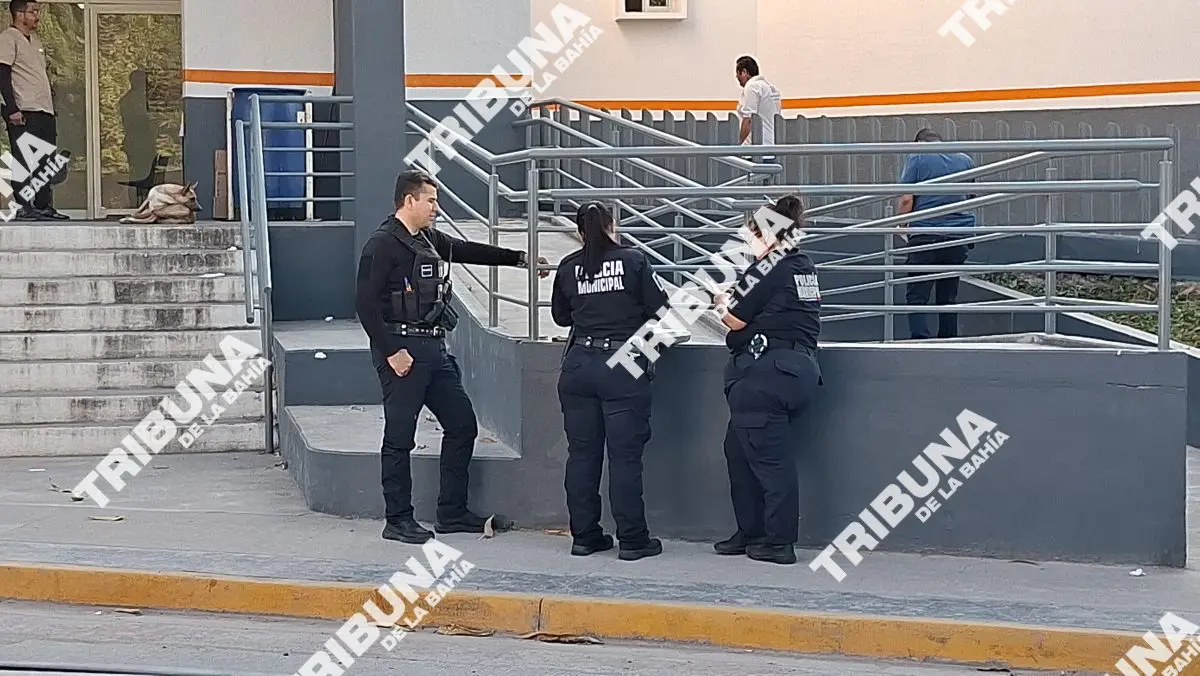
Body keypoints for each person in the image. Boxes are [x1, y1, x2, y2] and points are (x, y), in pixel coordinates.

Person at [354, 169, 549, 545]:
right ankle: (398, 519)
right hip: (403, 351)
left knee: (462, 425)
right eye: (430, 200)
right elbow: (365, 304)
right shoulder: (382, 245)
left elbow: (468, 250)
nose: (436, 208)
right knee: (399, 438)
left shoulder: (426, 238)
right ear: (409, 200)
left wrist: (521, 259)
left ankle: (452, 512)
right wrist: (392, 352)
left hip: (434, 349)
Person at [551, 202, 669, 561]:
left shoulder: (568, 266)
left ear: (580, 231)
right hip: (623, 364)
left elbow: (560, 317)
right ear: (611, 226)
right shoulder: (633, 261)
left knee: (581, 455)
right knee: (624, 458)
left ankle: (584, 537)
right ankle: (632, 540)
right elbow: (661, 310)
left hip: (578, 365)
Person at [712, 195, 822, 565]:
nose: (749, 242)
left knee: (771, 461)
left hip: (766, 374)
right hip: (798, 368)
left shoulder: (767, 267)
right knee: (738, 449)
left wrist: (719, 301)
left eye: (753, 235)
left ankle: (778, 541)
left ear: (768, 235)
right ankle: (751, 531)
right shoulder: (803, 265)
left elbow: (735, 319)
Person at [897, 128, 977, 339]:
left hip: (925, 234)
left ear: (918, 143)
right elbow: (970, 197)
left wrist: (901, 225)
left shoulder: (917, 157)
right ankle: (948, 341)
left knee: (917, 296)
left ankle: (920, 341)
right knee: (948, 297)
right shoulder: (965, 160)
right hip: (957, 235)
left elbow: (906, 199)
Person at [0, 0, 67, 220]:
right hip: (23, 110)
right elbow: (3, 75)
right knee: (23, 159)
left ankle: (43, 204)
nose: (37, 16)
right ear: (19, 14)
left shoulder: (36, 41)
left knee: (46, 159)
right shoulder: (8, 38)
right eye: (33, 11)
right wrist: (12, 109)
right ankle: (22, 206)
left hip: (44, 110)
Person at [735, 55, 782, 155]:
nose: (737, 78)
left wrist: (737, 145)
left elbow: (748, 119)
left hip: (754, 147)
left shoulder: (752, 87)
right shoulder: (771, 88)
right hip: (771, 145)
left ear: (744, 72)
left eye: (738, 74)